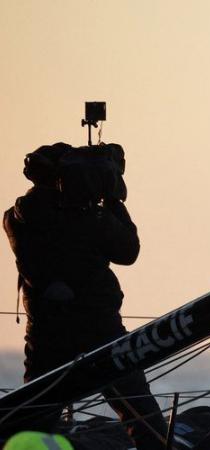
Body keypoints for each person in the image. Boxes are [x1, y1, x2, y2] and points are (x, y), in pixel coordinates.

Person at [3, 143, 169, 450]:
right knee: (139, 413)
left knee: (33, 414)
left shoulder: (16, 216)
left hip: (46, 331)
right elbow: (128, 250)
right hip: (99, 327)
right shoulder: (88, 218)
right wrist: (113, 199)